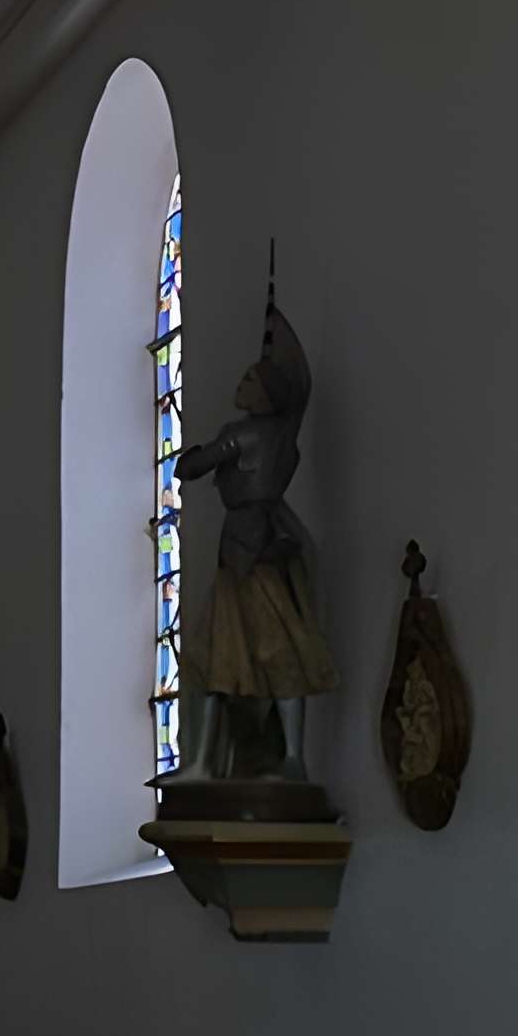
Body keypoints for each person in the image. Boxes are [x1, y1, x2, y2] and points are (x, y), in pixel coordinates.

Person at [177, 302, 336, 777]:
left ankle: (279, 760)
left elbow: (191, 467)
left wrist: (197, 456)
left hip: (252, 554)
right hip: (249, 551)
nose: (241, 384)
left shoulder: (242, 435)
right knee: (220, 657)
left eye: (251, 379)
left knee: (271, 651)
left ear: (266, 395)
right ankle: (217, 762)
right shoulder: (285, 438)